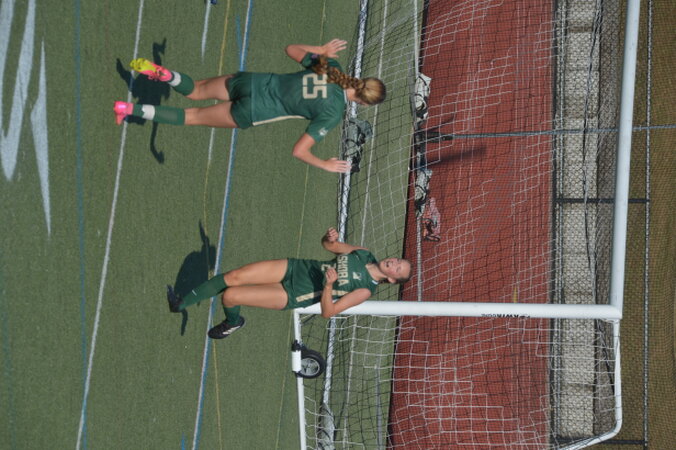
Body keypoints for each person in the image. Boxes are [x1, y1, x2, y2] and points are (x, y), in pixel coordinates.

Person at [114, 40, 386, 173]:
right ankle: (128, 109)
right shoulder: (332, 114)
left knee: (195, 89)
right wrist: (324, 164)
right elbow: (299, 151)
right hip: (255, 111)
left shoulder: (332, 68)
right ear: (363, 102)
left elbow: (291, 49)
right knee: (192, 116)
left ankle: (167, 75)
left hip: (252, 82)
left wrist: (322, 49)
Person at [167, 227, 411, 339]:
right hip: (297, 267)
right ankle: (180, 303)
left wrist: (328, 286)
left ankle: (233, 322)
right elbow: (330, 247)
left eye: (397, 268)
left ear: (391, 279)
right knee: (234, 276)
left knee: (230, 296)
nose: (394, 262)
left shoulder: (365, 290)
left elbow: (328, 312)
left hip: (294, 293)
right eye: (398, 260)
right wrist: (329, 238)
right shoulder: (364, 254)